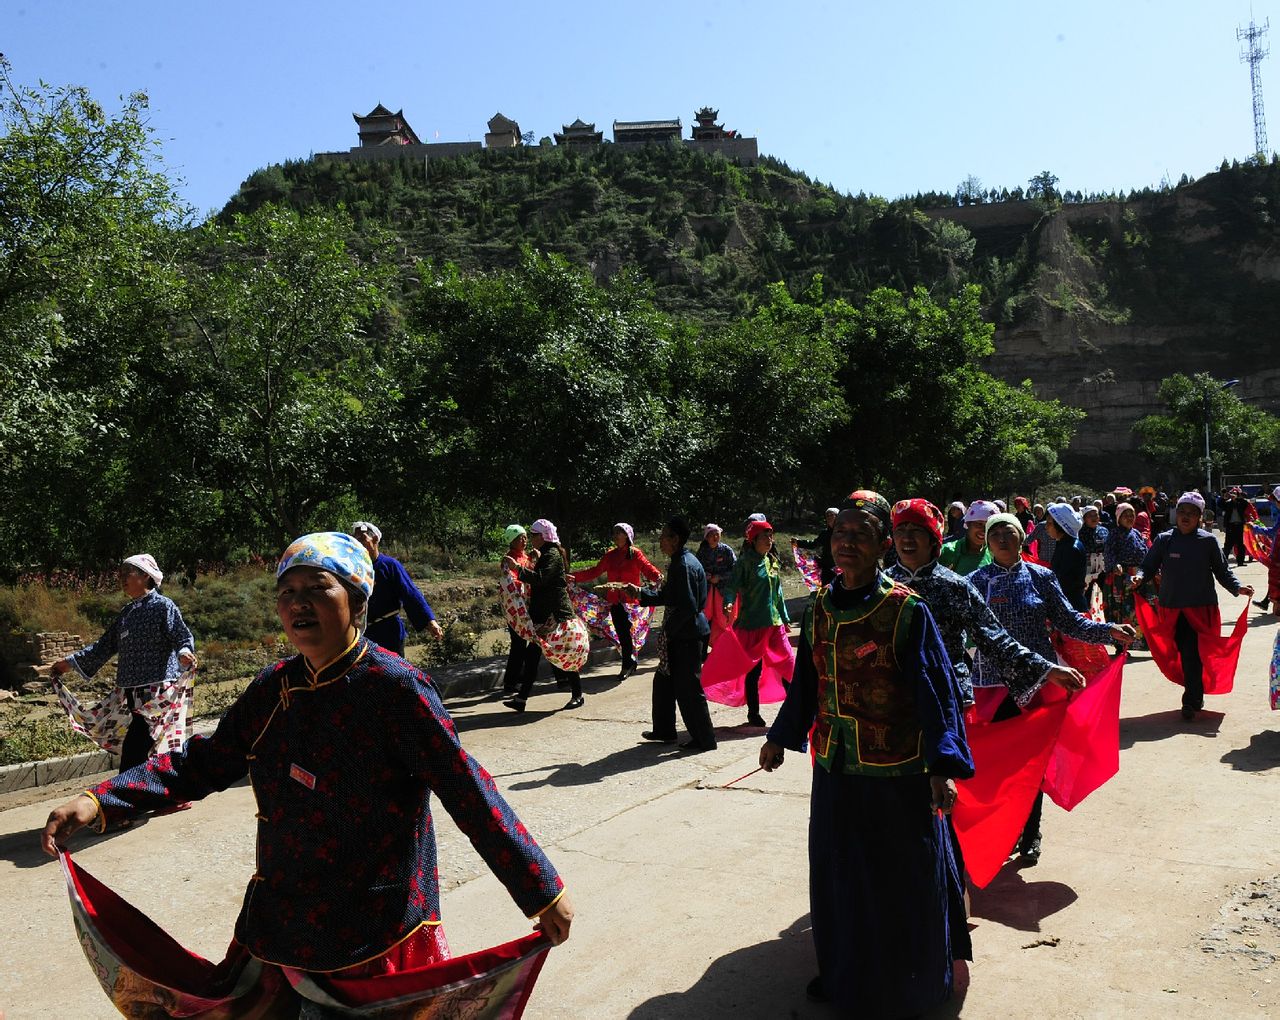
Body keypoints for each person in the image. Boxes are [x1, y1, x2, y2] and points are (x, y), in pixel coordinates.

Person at [41, 532, 573, 1011]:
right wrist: (100, 800)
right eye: (286, 592)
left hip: (374, 932)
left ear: (357, 602)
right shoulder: (274, 688)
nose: (298, 604)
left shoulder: (396, 689)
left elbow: (467, 790)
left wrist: (538, 888)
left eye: (317, 589)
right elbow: (204, 762)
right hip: (283, 922)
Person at [758, 490, 973, 1016]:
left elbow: (936, 693)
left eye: (860, 536)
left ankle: (911, 983)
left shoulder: (904, 610)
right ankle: (844, 974)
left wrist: (943, 766)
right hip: (835, 768)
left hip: (896, 771)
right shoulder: (821, 608)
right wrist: (781, 736)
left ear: (882, 547)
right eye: (840, 534)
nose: (846, 543)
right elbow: (807, 682)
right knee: (840, 876)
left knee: (898, 879)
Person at [968, 514, 1134, 862]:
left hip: (1039, 683)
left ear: (1022, 537)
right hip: (990, 685)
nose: (1001, 538)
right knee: (996, 764)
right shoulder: (974, 582)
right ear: (986, 541)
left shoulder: (1041, 577)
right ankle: (1005, 829)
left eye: (1008, 531)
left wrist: (1109, 631)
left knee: (1033, 763)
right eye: (994, 533)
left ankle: (1030, 832)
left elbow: (1069, 620)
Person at [885, 499, 1085, 709]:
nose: (907, 537)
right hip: (890, 696)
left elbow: (995, 638)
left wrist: (1045, 669)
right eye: (900, 530)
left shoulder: (954, 586)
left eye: (916, 530)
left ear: (933, 537)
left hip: (947, 695)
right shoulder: (881, 585)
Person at [50, 554, 197, 774]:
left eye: (127, 573)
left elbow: (182, 637)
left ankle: (131, 797)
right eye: (120, 574)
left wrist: (184, 652)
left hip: (157, 692)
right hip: (130, 693)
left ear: (145, 576)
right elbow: (103, 647)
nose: (121, 579)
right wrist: (68, 663)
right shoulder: (127, 614)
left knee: (137, 749)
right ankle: (161, 794)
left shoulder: (163, 607)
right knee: (149, 748)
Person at [1130, 492, 1254, 720]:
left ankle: (1191, 700)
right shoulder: (1164, 540)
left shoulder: (1207, 541)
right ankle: (1194, 693)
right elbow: (1148, 566)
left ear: (1200, 517)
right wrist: (1139, 577)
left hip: (1199, 609)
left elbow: (1222, 571)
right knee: (1179, 654)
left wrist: (1237, 588)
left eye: (1191, 513)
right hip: (1170, 609)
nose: (1185, 517)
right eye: (1182, 512)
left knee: (1192, 654)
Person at [630, 516, 718, 753]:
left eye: (663, 536)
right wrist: (640, 593)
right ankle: (664, 730)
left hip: (687, 635)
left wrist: (668, 632)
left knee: (689, 690)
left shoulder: (683, 565)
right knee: (664, 681)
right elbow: (670, 595)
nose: (660, 541)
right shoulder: (682, 560)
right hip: (684, 632)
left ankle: (704, 739)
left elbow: (688, 607)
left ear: (675, 539)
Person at [503, 519, 584, 711]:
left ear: (543, 536)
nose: (530, 539)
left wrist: (517, 568)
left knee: (564, 653)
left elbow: (540, 579)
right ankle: (521, 699)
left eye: (533, 535)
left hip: (555, 613)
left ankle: (578, 695)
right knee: (532, 656)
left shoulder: (552, 554)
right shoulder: (546, 554)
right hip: (542, 614)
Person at [720, 519, 793, 728]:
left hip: (774, 624)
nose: (769, 540)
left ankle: (795, 709)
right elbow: (731, 587)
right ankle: (754, 713)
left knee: (789, 666)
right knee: (754, 671)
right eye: (764, 537)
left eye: (771, 536)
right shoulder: (745, 562)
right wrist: (728, 603)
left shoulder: (772, 560)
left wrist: (785, 617)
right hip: (752, 624)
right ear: (753, 540)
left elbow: (777, 593)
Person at [569, 523, 661, 679]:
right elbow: (595, 571)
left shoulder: (635, 554)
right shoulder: (610, 555)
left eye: (620, 532)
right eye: (615, 532)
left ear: (627, 535)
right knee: (623, 634)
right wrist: (575, 577)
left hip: (632, 602)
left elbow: (647, 568)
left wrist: (658, 576)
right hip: (616, 602)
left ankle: (629, 663)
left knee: (628, 634)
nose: (616, 535)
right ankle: (628, 663)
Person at [352, 521, 443, 658]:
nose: (358, 543)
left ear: (375, 539)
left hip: (389, 632)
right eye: (355, 540)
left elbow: (410, 593)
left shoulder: (390, 565)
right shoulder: (353, 569)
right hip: (363, 634)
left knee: (393, 674)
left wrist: (429, 621)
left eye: (362, 538)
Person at [500, 524, 536, 695]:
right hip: (515, 608)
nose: (524, 540)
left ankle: (519, 677)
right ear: (511, 541)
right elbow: (510, 581)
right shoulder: (508, 559)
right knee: (519, 644)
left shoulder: (526, 557)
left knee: (526, 643)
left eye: (524, 536)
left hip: (527, 606)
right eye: (519, 538)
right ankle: (510, 681)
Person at [1102, 502, 1148, 634]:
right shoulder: (1114, 534)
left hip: (1136, 577)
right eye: (1125, 515)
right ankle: (1120, 643)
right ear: (1119, 518)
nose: (1129, 518)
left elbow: (1145, 553)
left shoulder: (1137, 534)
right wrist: (1115, 564)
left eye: (1132, 515)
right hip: (1119, 577)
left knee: (1135, 610)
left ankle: (1135, 640)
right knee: (1119, 610)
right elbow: (1109, 552)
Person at [695, 523, 736, 659]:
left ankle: (723, 649)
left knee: (724, 620)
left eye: (717, 534)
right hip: (706, 591)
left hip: (723, 591)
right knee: (706, 620)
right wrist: (706, 575)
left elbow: (735, 570)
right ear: (706, 537)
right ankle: (702, 652)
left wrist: (720, 577)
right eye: (712, 534)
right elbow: (696, 569)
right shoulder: (702, 552)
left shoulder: (726, 550)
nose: (715, 537)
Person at [1046, 503, 1088, 612]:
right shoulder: (1064, 544)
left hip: (1071, 606)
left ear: (1060, 525)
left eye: (1049, 523)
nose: (1046, 527)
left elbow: (1064, 582)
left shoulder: (1071, 549)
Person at [939, 499, 996, 575]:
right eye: (979, 524)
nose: (984, 530)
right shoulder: (947, 551)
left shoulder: (993, 554)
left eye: (989, 526)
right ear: (968, 524)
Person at [791, 507, 838, 586]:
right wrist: (798, 542)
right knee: (826, 591)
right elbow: (814, 544)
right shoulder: (825, 533)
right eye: (827, 515)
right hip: (827, 567)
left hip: (842, 566)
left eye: (831, 515)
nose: (829, 517)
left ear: (838, 516)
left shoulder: (844, 532)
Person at [1221, 487, 1252, 566]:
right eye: (1232, 494)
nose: (1233, 495)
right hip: (1231, 526)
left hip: (1240, 526)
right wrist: (1224, 496)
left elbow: (1246, 504)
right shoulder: (1228, 503)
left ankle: (1240, 562)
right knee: (1228, 545)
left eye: (1235, 494)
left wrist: (1237, 498)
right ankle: (1223, 562)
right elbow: (1220, 504)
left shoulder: (1241, 503)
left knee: (1241, 545)